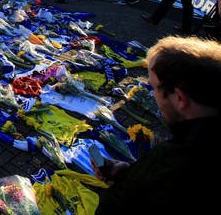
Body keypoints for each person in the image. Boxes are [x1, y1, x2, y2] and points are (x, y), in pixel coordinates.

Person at [94, 35, 221, 215]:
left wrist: (126, 185)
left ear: (179, 98)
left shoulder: (176, 164)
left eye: (155, 88)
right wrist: (128, 173)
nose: (153, 96)